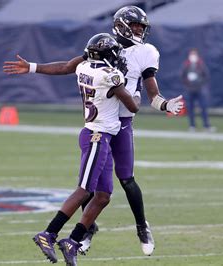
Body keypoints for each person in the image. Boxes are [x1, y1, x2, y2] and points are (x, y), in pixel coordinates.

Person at [3, 6, 183, 256]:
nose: (139, 31)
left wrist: (163, 104)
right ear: (121, 26)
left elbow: (151, 93)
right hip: (102, 128)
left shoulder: (141, 53)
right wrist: (34, 67)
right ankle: (79, 234)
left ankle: (141, 226)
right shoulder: (104, 49)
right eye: (135, 26)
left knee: (120, 181)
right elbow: (69, 66)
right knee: (93, 187)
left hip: (117, 125)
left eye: (142, 27)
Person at [32, 33, 140, 266]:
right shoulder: (110, 76)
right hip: (96, 136)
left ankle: (73, 240)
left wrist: (32, 67)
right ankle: (48, 233)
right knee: (84, 190)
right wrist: (136, 90)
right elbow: (132, 106)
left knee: (103, 196)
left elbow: (67, 66)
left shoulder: (83, 67)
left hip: (101, 137)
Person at [181, 48, 216, 133]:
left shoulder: (201, 65)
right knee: (190, 108)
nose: (193, 56)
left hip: (200, 90)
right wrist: (188, 83)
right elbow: (182, 76)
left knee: (203, 108)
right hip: (190, 90)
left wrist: (199, 82)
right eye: (191, 54)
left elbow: (206, 76)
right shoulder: (186, 65)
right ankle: (192, 125)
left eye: (194, 55)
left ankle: (206, 126)